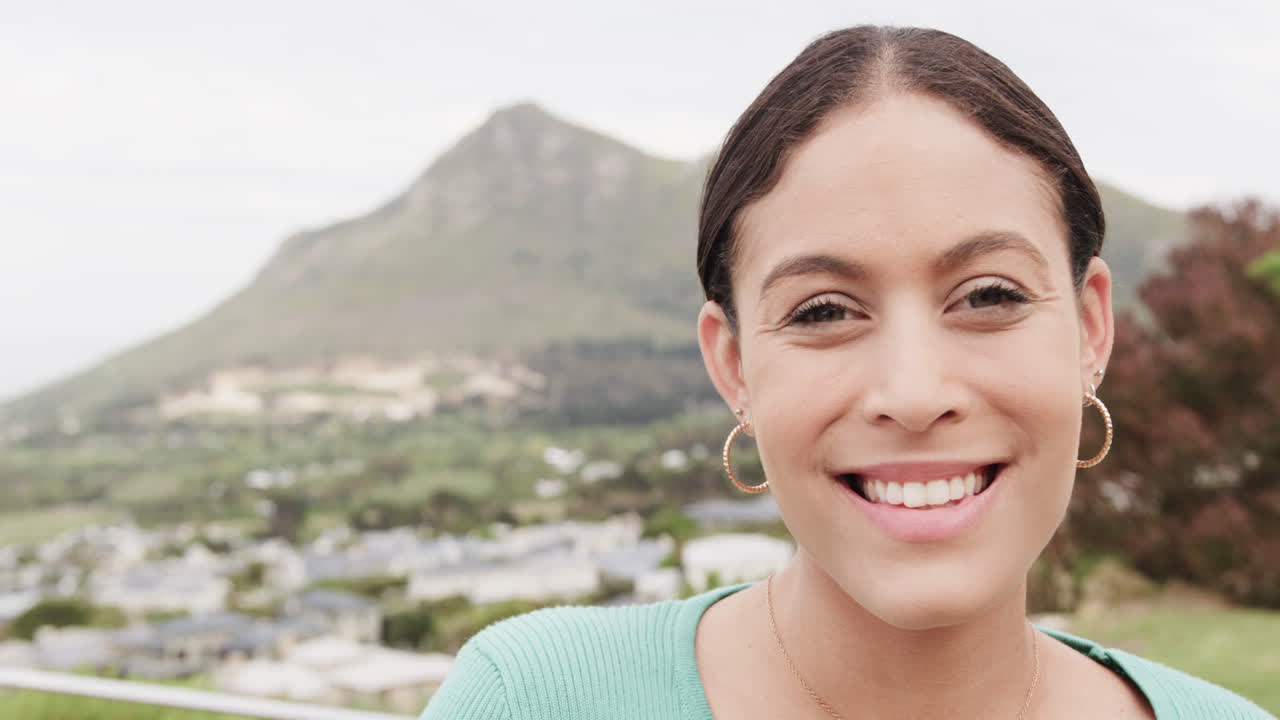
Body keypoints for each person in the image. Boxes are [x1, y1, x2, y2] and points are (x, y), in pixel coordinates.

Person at [420, 26, 1275, 719]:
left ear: (1091, 327)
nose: (912, 393)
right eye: (824, 311)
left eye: (987, 295)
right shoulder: (537, 700)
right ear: (733, 363)